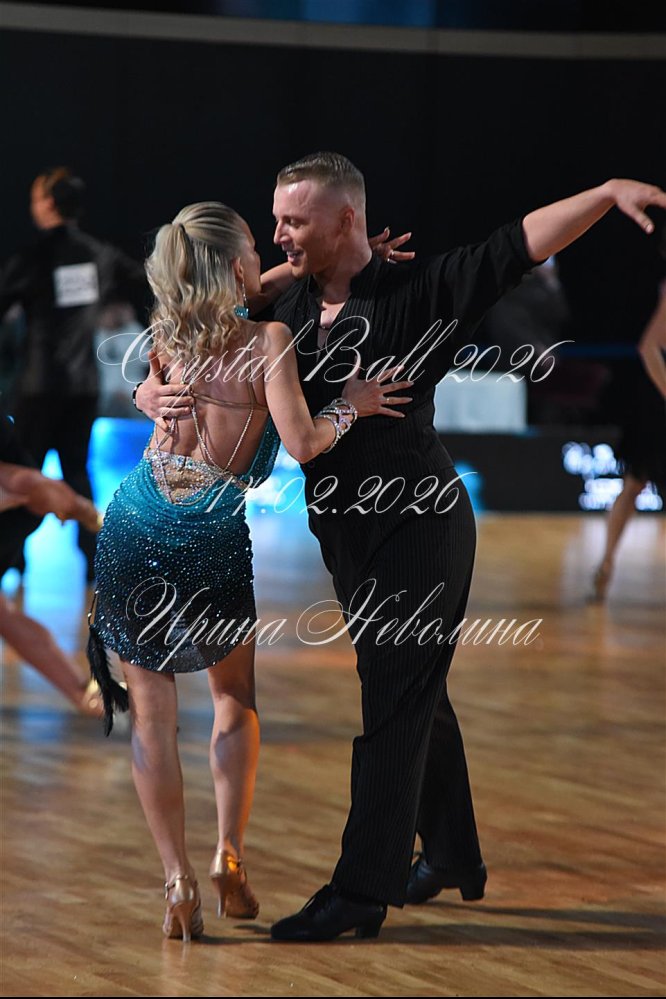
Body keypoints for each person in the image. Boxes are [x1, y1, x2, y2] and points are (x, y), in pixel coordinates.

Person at [138, 155, 666, 942]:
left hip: (421, 526)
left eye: (295, 221)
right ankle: (452, 852)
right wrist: (146, 389)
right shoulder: (289, 299)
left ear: (346, 219)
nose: (280, 235)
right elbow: (203, 307)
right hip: (346, 535)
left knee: (392, 694)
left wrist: (603, 193)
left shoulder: (422, 291)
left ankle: (361, 890)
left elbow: (519, 244)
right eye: (275, 221)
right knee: (417, 691)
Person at [88, 201, 412, 942]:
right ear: (238, 266)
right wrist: (353, 405)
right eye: (256, 251)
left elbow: (246, 287)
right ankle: (227, 852)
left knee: (152, 718)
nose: (269, 258)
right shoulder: (268, 340)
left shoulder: (169, 334)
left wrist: (141, 391)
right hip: (209, 530)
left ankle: (176, 880)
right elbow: (302, 442)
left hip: (134, 518)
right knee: (234, 700)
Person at [0, 166, 147, 581]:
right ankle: (94, 566)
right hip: (83, 387)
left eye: (35, 198)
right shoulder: (100, 255)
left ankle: (12, 560)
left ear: (48, 203)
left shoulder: (32, 258)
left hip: (38, 386)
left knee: (24, 476)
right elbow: (148, 279)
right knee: (78, 473)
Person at [0, 407, 102, 717]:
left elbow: (30, 486)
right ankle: (85, 695)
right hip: (22, 501)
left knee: (5, 617)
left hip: (19, 505)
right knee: (5, 617)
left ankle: (87, 695)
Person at [590, 275, 666, 601]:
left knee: (634, 484)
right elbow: (649, 347)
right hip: (657, 404)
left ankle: (605, 564)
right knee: (635, 482)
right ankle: (606, 564)